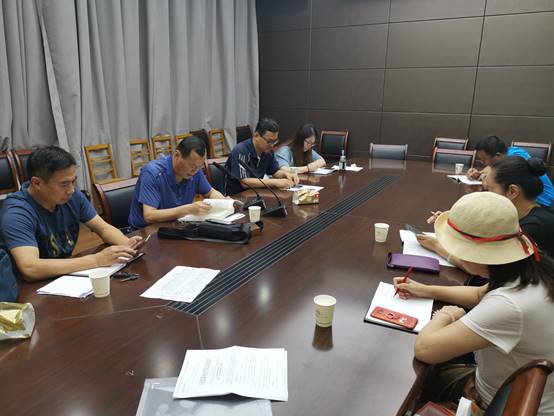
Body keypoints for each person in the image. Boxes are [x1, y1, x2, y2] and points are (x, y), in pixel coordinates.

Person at [394, 192, 554, 413]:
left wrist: (446, 314)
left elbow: (425, 349)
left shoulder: (509, 305)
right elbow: (480, 294)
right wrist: (424, 290)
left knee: (408, 385)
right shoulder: (532, 270)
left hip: (496, 404)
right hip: (513, 390)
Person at [0, 146, 142, 284]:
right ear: (37, 183)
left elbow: (103, 228)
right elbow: (30, 268)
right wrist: (96, 260)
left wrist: (126, 246)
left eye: (73, 181)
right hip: (28, 289)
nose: (71, 190)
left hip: (66, 275)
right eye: (64, 184)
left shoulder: (72, 197)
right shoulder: (17, 213)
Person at [421, 156, 554, 265]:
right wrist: (455, 223)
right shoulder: (520, 215)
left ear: (512, 191)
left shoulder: (533, 228)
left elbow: (487, 271)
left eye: (489, 189)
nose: (484, 194)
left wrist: (437, 246)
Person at [128, 136, 226, 229]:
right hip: (145, 232)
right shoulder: (152, 173)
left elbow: (210, 192)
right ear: (177, 155)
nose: (195, 171)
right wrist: (188, 209)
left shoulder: (195, 172)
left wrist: (226, 202)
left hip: (176, 226)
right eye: (192, 165)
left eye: (199, 167)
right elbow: (149, 216)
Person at [466, 135, 553, 206]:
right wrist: (479, 173)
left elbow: (492, 179)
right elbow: (490, 168)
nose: (483, 162)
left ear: (497, 155)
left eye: (484, 159)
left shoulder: (515, 159)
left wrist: (484, 178)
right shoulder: (508, 152)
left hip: (543, 202)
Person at [224, 117, 299, 195]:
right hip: (237, 196)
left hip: (257, 194)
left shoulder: (268, 151)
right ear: (256, 135)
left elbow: (274, 172)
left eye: (275, 141)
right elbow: (244, 182)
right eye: (269, 141)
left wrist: (286, 174)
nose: (272, 145)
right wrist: (275, 182)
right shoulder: (241, 150)